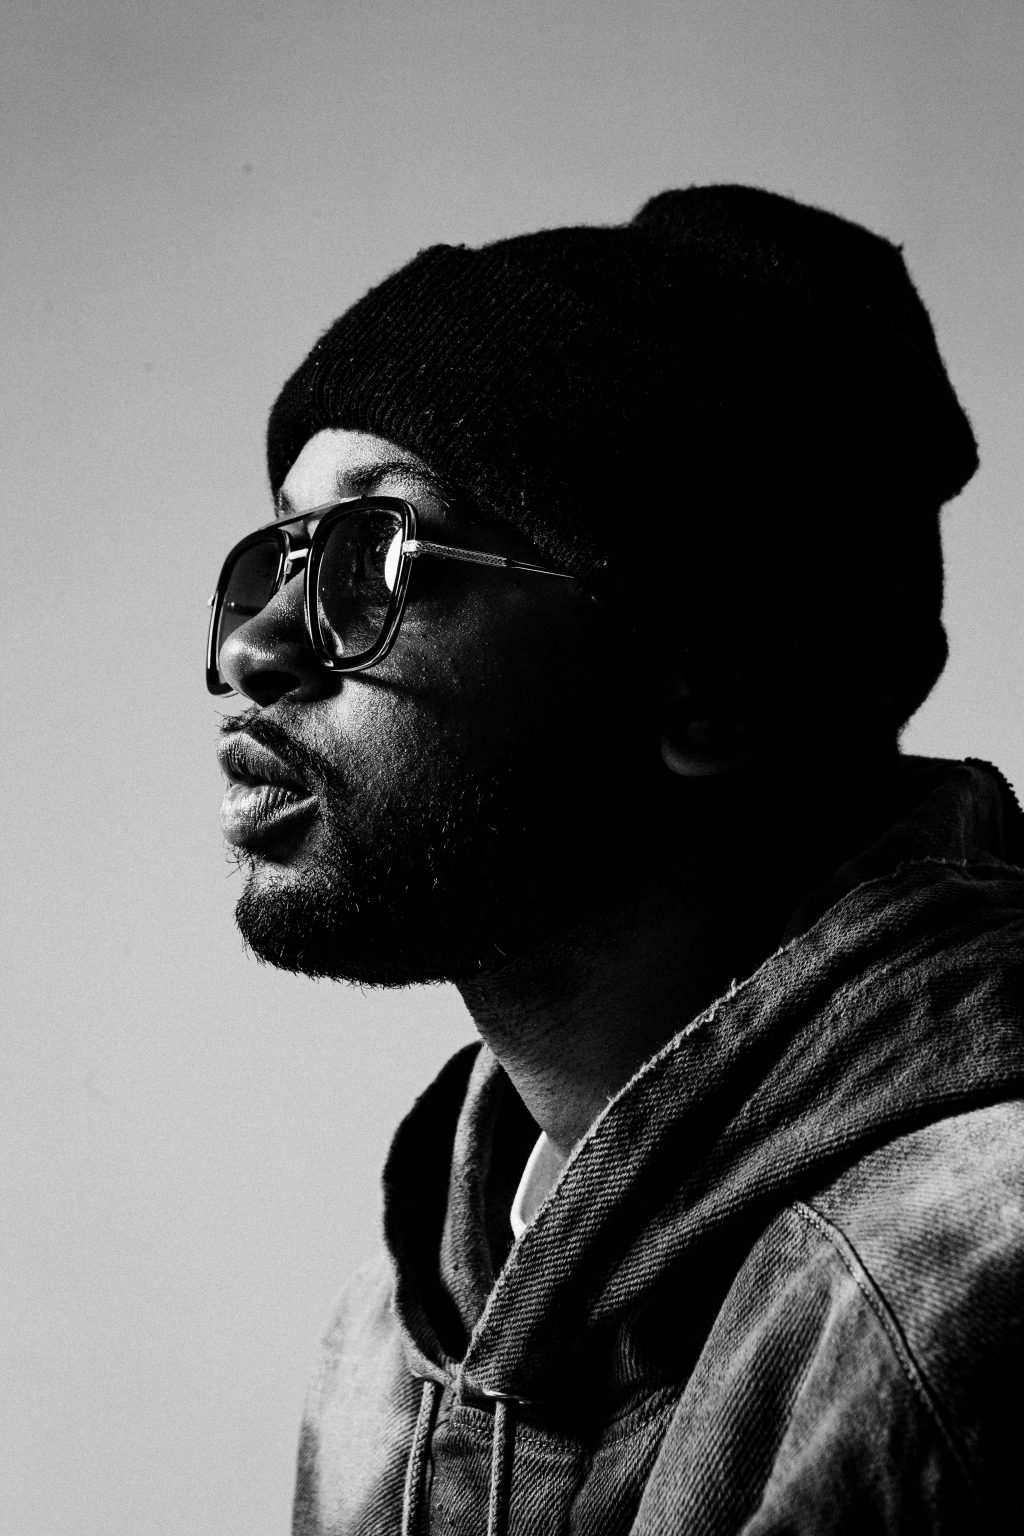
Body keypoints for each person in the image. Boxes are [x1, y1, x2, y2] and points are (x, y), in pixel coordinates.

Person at [208, 185, 1024, 1534]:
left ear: (711, 684)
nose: (254, 650)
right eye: (281, 554)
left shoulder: (958, 1287)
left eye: (375, 555)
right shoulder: (392, 1349)